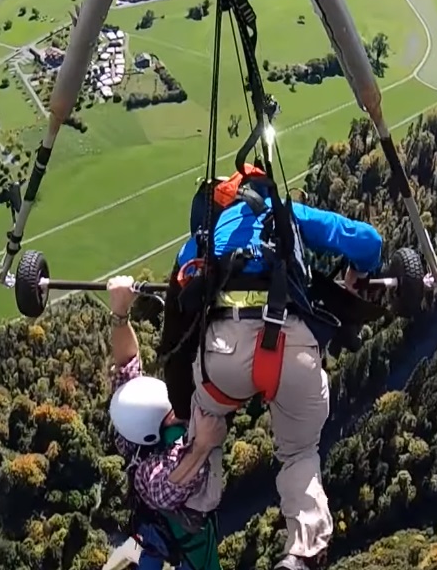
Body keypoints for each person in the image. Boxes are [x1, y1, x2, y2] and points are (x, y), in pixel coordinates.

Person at [163, 164, 384, 570]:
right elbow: (368, 240)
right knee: (300, 451)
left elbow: (174, 332)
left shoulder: (203, 239)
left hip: (223, 353)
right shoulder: (286, 215)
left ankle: (195, 506)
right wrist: (360, 274)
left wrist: (183, 403)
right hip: (291, 347)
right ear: (264, 191)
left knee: (206, 417)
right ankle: (302, 551)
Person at [107, 275, 228, 570]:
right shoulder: (152, 473)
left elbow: (127, 364)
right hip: (182, 544)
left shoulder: (133, 416)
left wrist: (120, 314)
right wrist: (201, 447)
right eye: (170, 414)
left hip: (160, 534)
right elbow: (167, 489)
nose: (175, 414)